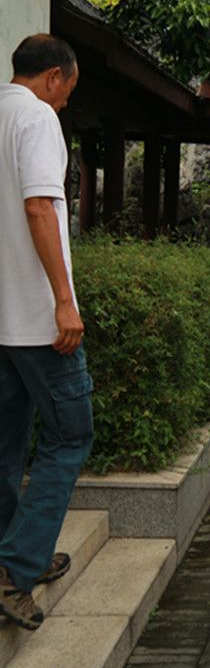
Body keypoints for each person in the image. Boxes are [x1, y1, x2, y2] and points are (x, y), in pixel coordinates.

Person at [0, 34, 90, 631]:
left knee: (6, 441)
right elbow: (39, 208)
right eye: (67, 92)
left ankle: (13, 552)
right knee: (70, 435)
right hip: (37, 321)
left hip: (2, 321)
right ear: (54, 76)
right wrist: (63, 301)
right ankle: (16, 570)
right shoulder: (36, 118)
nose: (64, 103)